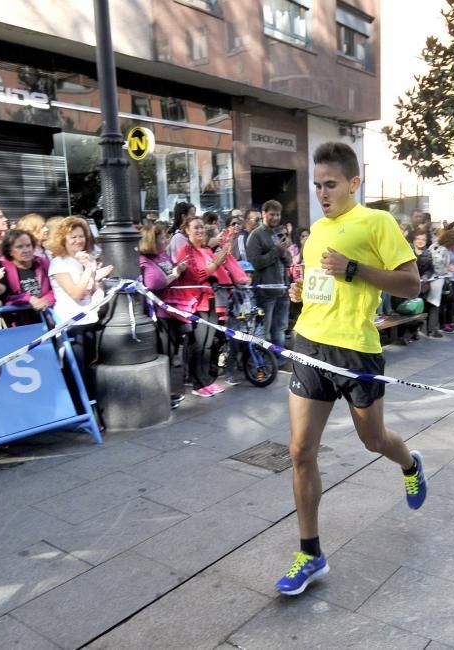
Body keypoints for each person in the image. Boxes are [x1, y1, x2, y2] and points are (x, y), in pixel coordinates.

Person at [277, 142, 426, 596]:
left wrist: (354, 269)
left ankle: (410, 462)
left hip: (356, 353)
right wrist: (303, 291)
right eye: (317, 186)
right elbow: (323, 285)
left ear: (354, 183)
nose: (323, 194)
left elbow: (411, 282)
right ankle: (311, 553)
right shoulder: (317, 230)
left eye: (331, 185)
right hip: (309, 345)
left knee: (373, 440)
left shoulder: (377, 223)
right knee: (301, 451)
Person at [175, 214, 248, 397]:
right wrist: (217, 261)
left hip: (212, 300)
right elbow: (197, 275)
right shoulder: (186, 250)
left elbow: (219, 267)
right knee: (198, 345)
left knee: (209, 344)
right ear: (187, 231)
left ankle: (207, 380)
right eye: (196, 228)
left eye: (202, 227)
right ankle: (197, 383)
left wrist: (224, 252)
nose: (200, 231)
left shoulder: (207, 249)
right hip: (196, 303)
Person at [49, 216, 114, 397]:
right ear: (64, 240)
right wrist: (88, 270)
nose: (79, 241)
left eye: (81, 236)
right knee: (76, 370)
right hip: (71, 322)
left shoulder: (84, 260)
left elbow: (90, 290)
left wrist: (94, 273)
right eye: (73, 237)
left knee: (89, 365)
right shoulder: (58, 263)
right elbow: (76, 293)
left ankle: (91, 409)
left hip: (89, 318)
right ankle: (79, 409)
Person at [138, 223, 187, 407]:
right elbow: (153, 283)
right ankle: (162, 396)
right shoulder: (144, 260)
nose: (166, 241)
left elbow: (171, 271)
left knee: (172, 351)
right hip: (158, 313)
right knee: (164, 353)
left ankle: (167, 392)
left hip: (172, 309)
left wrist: (178, 269)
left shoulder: (162, 255)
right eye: (162, 238)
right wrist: (174, 275)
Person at [247, 199, 293, 372]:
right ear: (264, 214)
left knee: (280, 327)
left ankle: (279, 360)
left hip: (282, 288)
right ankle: (262, 361)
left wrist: (284, 250)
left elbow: (288, 261)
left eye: (278, 214)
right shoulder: (256, 236)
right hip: (266, 289)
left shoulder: (280, 233)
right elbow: (255, 263)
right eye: (272, 214)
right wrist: (276, 251)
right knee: (263, 330)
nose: (275, 217)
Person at [0, 229, 55, 326]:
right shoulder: (3, 268)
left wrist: (46, 300)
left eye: (28, 245)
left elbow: (54, 289)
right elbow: (4, 297)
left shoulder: (42, 263)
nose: (26, 250)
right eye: (19, 247)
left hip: (44, 318)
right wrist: (29, 299)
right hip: (16, 322)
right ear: (10, 251)